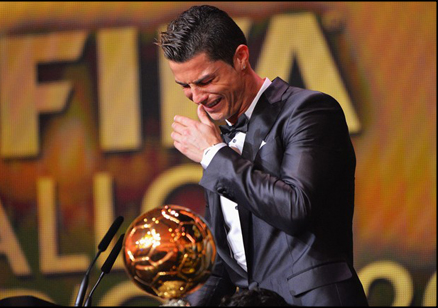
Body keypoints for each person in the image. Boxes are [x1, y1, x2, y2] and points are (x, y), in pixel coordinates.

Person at [157, 4, 368, 307]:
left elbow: (295, 207)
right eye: (185, 86)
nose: (197, 97)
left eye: (205, 81)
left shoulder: (308, 112)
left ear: (241, 57)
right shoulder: (219, 141)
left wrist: (214, 155)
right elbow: (225, 255)